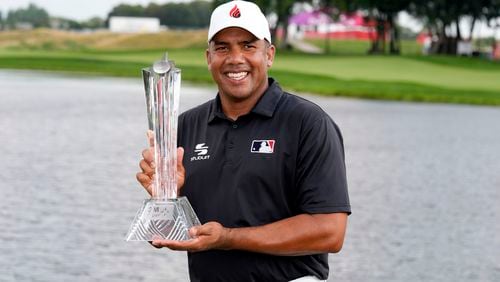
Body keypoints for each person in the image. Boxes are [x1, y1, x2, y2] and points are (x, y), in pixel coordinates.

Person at [136, 1, 351, 281]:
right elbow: (166, 236)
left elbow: (329, 232)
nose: (235, 58)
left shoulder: (307, 123)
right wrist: (166, 199)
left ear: (269, 54)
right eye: (223, 47)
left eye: (248, 46)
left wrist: (227, 238)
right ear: (208, 57)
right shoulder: (186, 126)